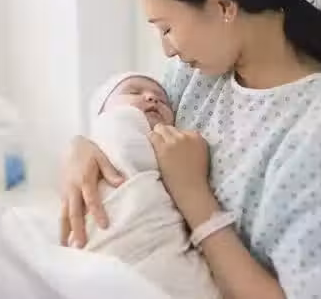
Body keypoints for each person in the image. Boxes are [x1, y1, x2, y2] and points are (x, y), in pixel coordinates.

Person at [59, 0, 321, 299]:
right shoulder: (196, 76)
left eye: (167, 28)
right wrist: (86, 146)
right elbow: (130, 136)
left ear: (223, 7)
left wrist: (194, 197)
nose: (167, 50)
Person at [78, 72, 219, 299]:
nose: (152, 98)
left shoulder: (177, 148)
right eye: (134, 92)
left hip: (162, 245)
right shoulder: (111, 129)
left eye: (162, 100)